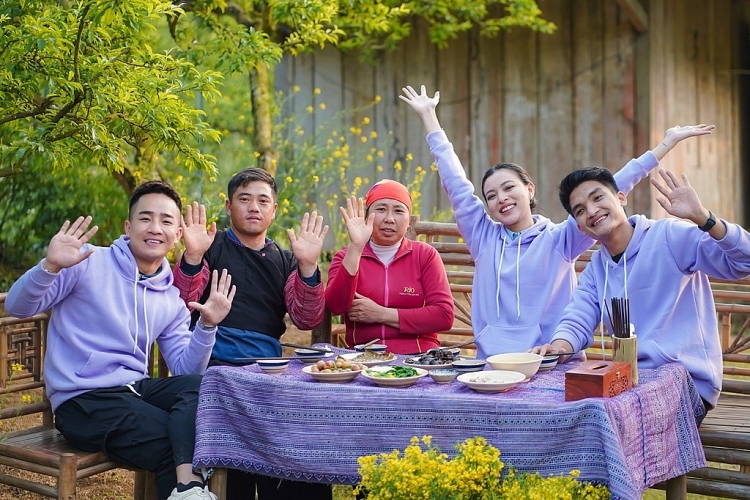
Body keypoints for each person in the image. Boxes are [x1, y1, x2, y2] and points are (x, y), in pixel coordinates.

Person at [400, 84, 715, 360]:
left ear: (529, 189)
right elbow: (456, 184)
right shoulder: (483, 238)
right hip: (493, 364)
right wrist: (430, 118)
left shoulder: (562, 238)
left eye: (509, 188)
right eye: (491, 195)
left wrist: (663, 146)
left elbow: (609, 188)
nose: (501, 199)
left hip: (551, 360)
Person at [4, 181, 236, 500]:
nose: (155, 228)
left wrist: (207, 326)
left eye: (166, 221)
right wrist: (50, 266)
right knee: (178, 438)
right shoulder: (85, 263)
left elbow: (185, 371)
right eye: (145, 218)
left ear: (178, 234)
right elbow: (16, 307)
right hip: (82, 400)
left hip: (132, 391)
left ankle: (187, 487)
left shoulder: (169, 296)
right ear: (128, 226)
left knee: (208, 384)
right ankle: (190, 486)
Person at [533, 167, 750, 417]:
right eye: (580, 211)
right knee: (572, 414)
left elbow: (744, 261)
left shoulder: (669, 236)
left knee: (607, 420)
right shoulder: (596, 270)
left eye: (598, 197)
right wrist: (558, 348)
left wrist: (704, 218)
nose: (592, 211)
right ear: (580, 227)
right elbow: (577, 318)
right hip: (628, 384)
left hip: (684, 382)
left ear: (621, 198)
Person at [172, 167, 332, 500]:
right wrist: (192, 256)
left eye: (262, 201)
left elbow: (306, 317)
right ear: (229, 207)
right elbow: (180, 300)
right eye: (244, 199)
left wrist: (307, 267)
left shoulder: (285, 259)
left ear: (274, 210)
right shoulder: (210, 247)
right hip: (211, 365)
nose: (253, 207)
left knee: (301, 435)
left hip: (267, 370)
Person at [325, 180, 454, 354]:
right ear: (367, 216)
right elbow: (335, 306)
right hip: (362, 359)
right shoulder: (346, 256)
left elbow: (444, 316)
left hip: (418, 358)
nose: (389, 219)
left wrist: (380, 314)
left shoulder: (425, 255)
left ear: (408, 220)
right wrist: (356, 247)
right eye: (381, 209)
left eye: (398, 211)